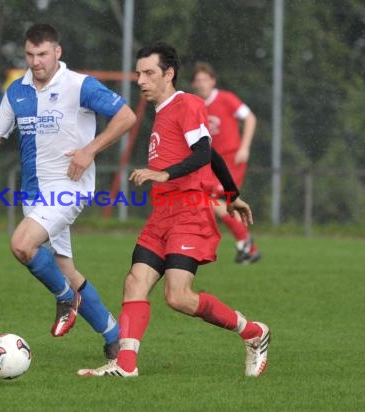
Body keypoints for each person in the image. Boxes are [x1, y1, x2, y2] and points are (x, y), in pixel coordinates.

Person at [77, 42, 270, 378]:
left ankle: (253, 333)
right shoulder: (163, 112)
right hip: (162, 214)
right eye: (139, 73)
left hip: (189, 214)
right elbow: (213, 156)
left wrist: (164, 173)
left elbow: (203, 151)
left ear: (169, 74)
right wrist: (232, 193)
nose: (141, 80)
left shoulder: (187, 104)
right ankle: (125, 366)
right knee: (135, 281)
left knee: (178, 297)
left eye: (149, 73)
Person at [0, 23, 136, 361]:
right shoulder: (17, 91)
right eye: (30, 54)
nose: (36, 61)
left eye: (42, 54)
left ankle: (65, 299)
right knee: (66, 269)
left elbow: (126, 116)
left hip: (68, 189)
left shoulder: (79, 85)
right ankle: (114, 338)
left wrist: (90, 150)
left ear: (57, 52)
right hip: (35, 196)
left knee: (21, 244)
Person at [191, 62, 261, 264]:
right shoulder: (194, 104)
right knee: (208, 202)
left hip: (231, 160)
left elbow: (250, 118)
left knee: (212, 201)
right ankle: (247, 246)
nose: (202, 84)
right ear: (194, 84)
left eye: (205, 79)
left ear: (213, 81)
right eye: (198, 80)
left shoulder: (226, 99)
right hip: (210, 162)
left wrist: (244, 147)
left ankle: (245, 242)